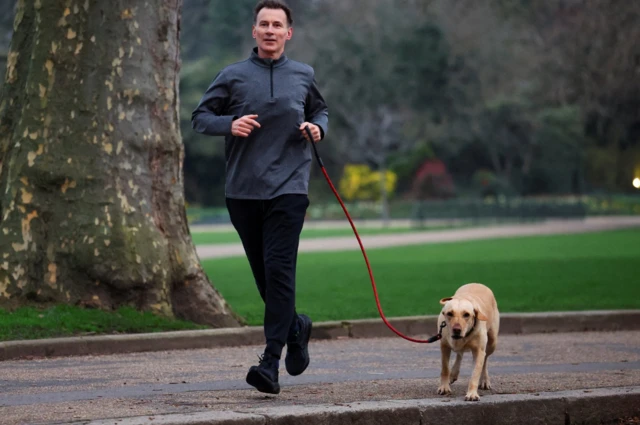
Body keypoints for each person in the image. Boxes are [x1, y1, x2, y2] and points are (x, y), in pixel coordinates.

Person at [191, 0, 329, 395]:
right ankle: (296, 328)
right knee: (264, 275)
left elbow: (321, 111)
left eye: (277, 25)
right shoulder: (232, 76)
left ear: (289, 33)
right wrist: (229, 123)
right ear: (254, 31)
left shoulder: (303, 74)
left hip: (289, 188)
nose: (270, 30)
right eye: (263, 24)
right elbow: (201, 118)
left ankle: (270, 362)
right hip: (243, 191)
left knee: (279, 270)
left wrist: (317, 127)